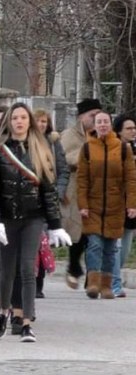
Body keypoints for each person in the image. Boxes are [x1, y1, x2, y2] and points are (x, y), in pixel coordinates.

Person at [0, 103, 72, 342]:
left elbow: (48, 190)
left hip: (33, 217)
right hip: (8, 218)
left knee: (28, 268)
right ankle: (3, 311)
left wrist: (55, 224)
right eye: (15, 118)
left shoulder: (41, 149)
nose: (19, 122)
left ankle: (27, 322)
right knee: (7, 270)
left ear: (29, 121)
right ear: (9, 122)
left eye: (23, 118)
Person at [77, 111, 136, 299]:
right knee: (94, 244)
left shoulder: (123, 148)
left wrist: (131, 204)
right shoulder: (87, 148)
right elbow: (82, 179)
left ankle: (107, 285)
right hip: (93, 206)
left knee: (111, 247)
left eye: (106, 122)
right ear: (94, 126)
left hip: (115, 206)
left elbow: (130, 179)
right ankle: (93, 282)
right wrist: (83, 204)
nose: (102, 125)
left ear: (110, 125)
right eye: (99, 122)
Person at [61, 98, 102, 289]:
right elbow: (65, 157)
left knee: (95, 234)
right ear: (81, 117)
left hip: (100, 191)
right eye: (91, 115)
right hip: (76, 190)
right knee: (77, 232)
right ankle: (74, 267)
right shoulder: (70, 135)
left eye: (98, 115)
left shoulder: (104, 134)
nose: (95, 119)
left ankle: (90, 275)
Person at [32, 109, 70, 298]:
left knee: (43, 242)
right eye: (38, 121)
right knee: (34, 241)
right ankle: (32, 280)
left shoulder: (54, 143)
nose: (41, 125)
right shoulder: (25, 142)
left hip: (49, 198)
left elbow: (63, 170)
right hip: (31, 198)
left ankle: (39, 283)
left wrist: (58, 191)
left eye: (44, 121)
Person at [113, 114, 136, 297]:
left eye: (134, 128)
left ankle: (111, 275)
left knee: (125, 248)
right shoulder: (113, 149)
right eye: (129, 128)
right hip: (115, 202)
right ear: (119, 131)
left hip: (132, 204)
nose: (133, 131)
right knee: (116, 245)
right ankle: (114, 281)